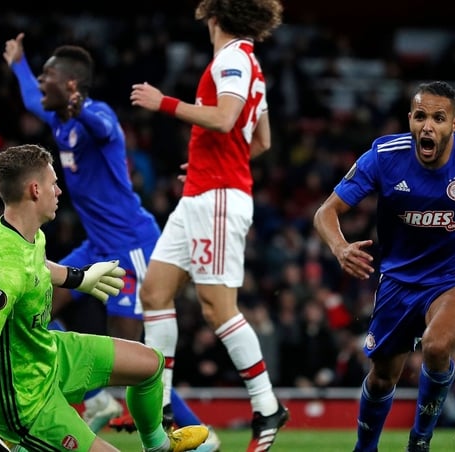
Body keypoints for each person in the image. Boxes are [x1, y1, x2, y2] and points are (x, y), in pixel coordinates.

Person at [2, 35, 217, 449]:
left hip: (132, 246)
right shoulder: (60, 122)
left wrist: (78, 104)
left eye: (48, 75)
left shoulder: (94, 116)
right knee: (33, 302)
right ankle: (98, 400)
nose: (41, 82)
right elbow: (32, 99)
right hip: (96, 244)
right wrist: (18, 64)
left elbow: (104, 126)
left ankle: (199, 437)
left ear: (70, 86)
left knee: (135, 356)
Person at [313, 81, 455, 452]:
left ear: (454, 123)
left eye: (438, 118)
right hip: (400, 282)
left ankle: (419, 440)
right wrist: (339, 247)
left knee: (436, 346)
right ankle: (364, 448)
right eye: (420, 117)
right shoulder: (384, 156)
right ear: (410, 120)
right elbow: (326, 212)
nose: (428, 126)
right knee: (383, 377)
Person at [0, 144, 208, 452]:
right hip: (26, 400)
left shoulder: (25, 231)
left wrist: (80, 278)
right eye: (54, 183)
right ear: (35, 190)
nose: (59, 191)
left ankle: (158, 446)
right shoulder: (0, 270)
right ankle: (23, 442)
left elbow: (35, 264)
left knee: (150, 364)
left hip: (51, 353)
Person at [128, 1, 286, 450]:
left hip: (217, 197)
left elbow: (224, 119)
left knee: (218, 308)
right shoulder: (249, 62)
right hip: (200, 192)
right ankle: (159, 406)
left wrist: (165, 103)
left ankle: (267, 405)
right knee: (155, 291)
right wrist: (201, 163)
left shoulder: (233, 57)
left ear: (214, 15)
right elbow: (263, 140)